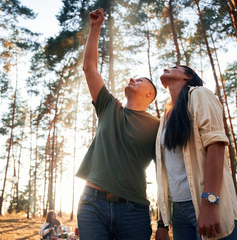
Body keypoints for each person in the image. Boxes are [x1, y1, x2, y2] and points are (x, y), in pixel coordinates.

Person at [76, 8, 160, 240]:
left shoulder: (157, 126)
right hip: (92, 204)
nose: (132, 79)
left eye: (140, 80)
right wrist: (95, 28)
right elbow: (89, 68)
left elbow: (165, 171)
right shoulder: (108, 107)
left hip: (132, 210)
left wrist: (163, 221)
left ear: (150, 94)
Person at [155, 66, 237, 240]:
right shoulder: (165, 114)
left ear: (188, 77)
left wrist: (209, 205)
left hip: (207, 203)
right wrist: (162, 222)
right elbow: (166, 170)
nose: (166, 68)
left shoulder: (199, 94)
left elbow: (216, 145)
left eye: (175, 67)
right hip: (179, 211)